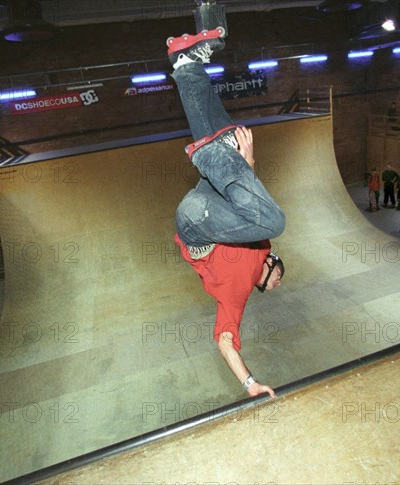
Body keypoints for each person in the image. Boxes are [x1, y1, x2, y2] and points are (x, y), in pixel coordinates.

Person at [168, 26, 285, 398]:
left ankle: (216, 153)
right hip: (211, 205)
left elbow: (225, 341)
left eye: (276, 285)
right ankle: (186, 61)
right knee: (227, 141)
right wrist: (245, 161)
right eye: (280, 278)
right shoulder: (261, 244)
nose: (280, 284)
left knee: (275, 220)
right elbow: (249, 200)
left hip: (197, 230)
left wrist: (249, 384)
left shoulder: (237, 297)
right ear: (272, 265)